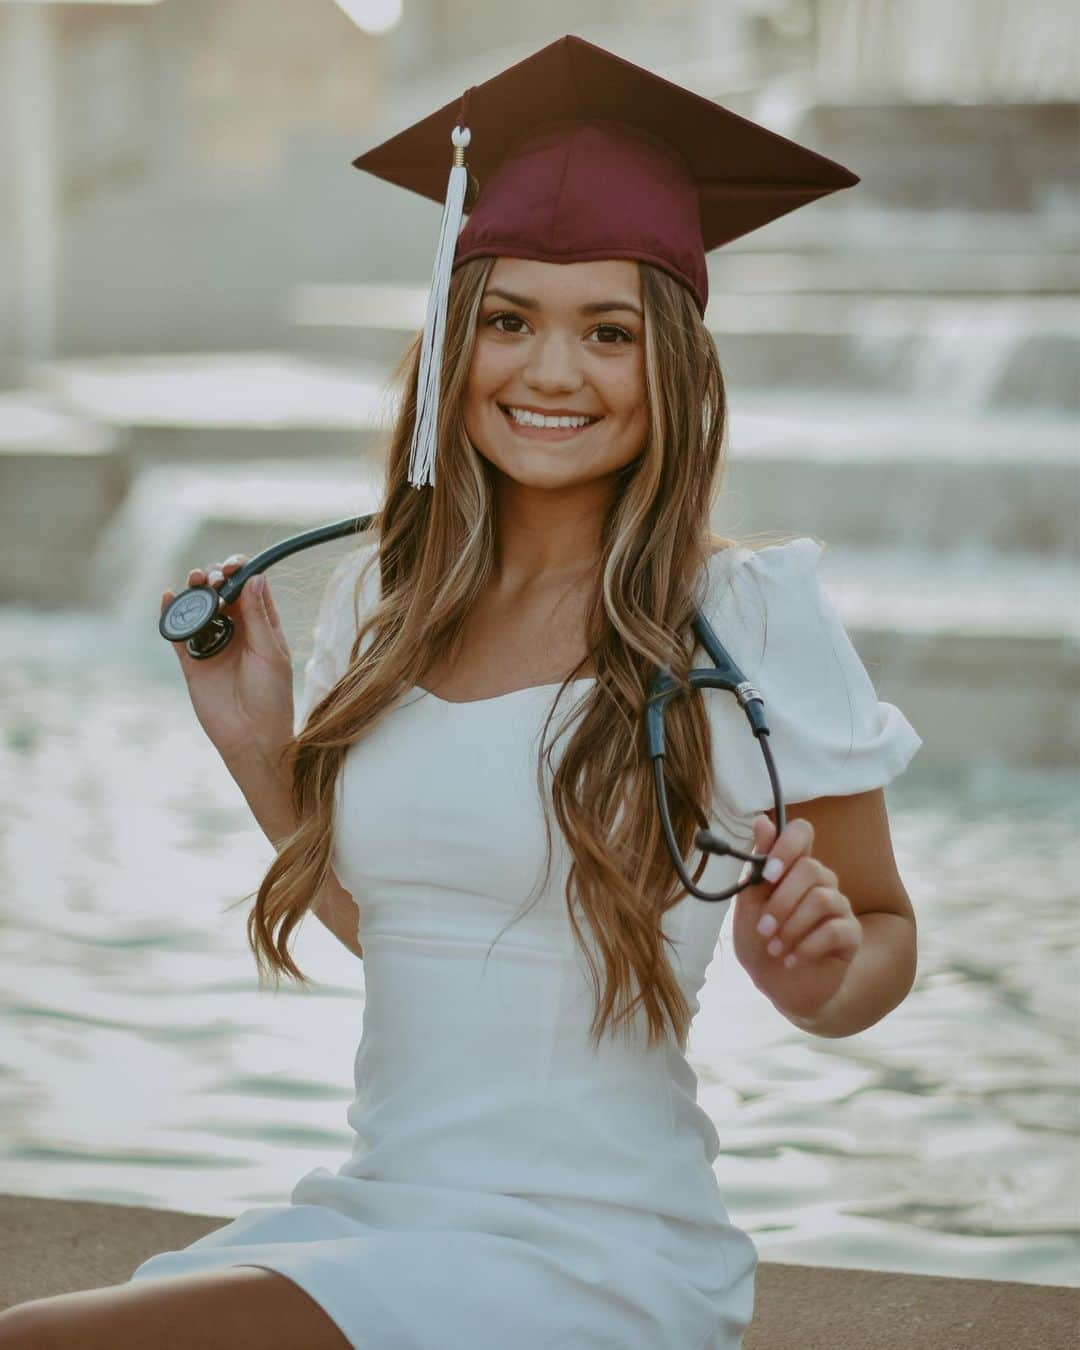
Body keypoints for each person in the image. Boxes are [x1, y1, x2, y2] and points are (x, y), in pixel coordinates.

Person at [0, 35, 923, 1350]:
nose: (551, 374)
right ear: (453, 338)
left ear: (670, 359)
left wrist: (820, 975)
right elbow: (420, 940)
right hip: (383, 1214)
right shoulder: (387, 598)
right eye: (508, 321)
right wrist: (260, 745)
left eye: (607, 329)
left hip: (599, 1252)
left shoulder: (751, 612)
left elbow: (880, 936)